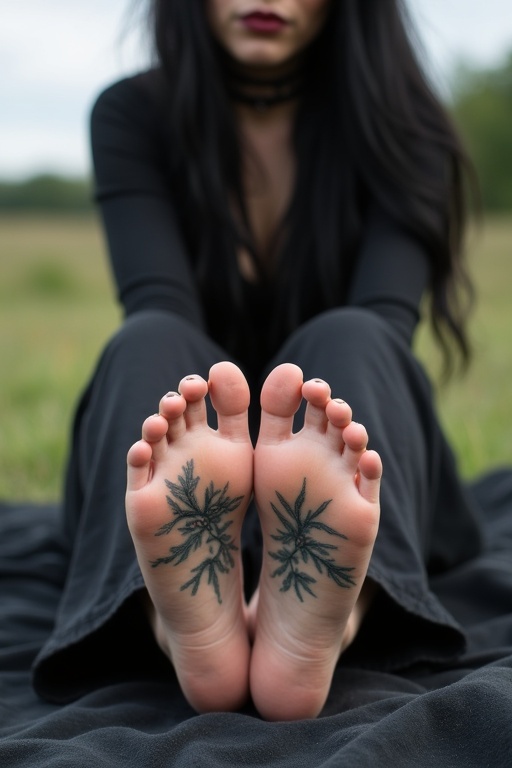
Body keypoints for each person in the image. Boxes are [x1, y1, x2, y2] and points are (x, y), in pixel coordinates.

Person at [31, 0, 484, 724]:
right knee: (151, 338)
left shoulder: (405, 127)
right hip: (196, 455)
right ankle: (183, 622)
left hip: (344, 442)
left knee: (360, 336)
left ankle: (324, 619)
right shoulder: (132, 115)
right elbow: (160, 301)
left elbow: (388, 320)